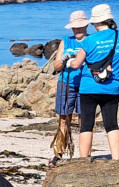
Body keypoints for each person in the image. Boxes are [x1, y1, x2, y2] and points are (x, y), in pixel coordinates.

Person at [68, 3, 119, 160]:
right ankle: (116, 159)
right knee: (112, 124)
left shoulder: (89, 41)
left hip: (89, 87)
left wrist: (68, 60)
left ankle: (83, 160)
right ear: (109, 19)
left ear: (94, 22)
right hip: (112, 86)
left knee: (87, 125)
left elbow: (76, 65)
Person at [49, 10, 89, 167]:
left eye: (80, 27)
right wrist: (65, 59)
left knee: (84, 120)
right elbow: (56, 66)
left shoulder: (92, 40)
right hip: (66, 84)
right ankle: (58, 154)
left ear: (86, 25)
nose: (77, 30)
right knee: (64, 120)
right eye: (74, 27)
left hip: (86, 85)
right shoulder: (66, 41)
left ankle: (84, 155)